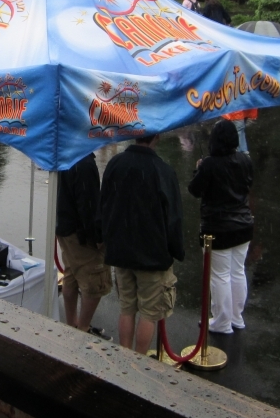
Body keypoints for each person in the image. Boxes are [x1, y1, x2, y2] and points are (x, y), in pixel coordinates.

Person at [100, 134, 185, 355]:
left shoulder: (116, 163)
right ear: (157, 136)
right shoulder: (163, 170)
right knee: (149, 312)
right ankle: (139, 361)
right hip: (152, 253)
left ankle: (125, 357)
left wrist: (108, 239)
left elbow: (105, 204)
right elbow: (173, 217)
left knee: (126, 307)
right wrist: (176, 249)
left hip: (121, 250)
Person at [187, 120, 254, 334]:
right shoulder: (244, 160)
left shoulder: (210, 164)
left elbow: (195, 190)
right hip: (243, 226)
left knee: (220, 276)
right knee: (238, 272)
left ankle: (222, 321)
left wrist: (199, 169)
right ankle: (236, 317)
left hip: (218, 228)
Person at [56, 152, 110, 338]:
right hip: (79, 234)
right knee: (95, 281)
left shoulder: (66, 154)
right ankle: (83, 329)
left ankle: (72, 323)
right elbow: (88, 205)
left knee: (71, 275)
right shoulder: (84, 164)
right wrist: (97, 237)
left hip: (65, 226)